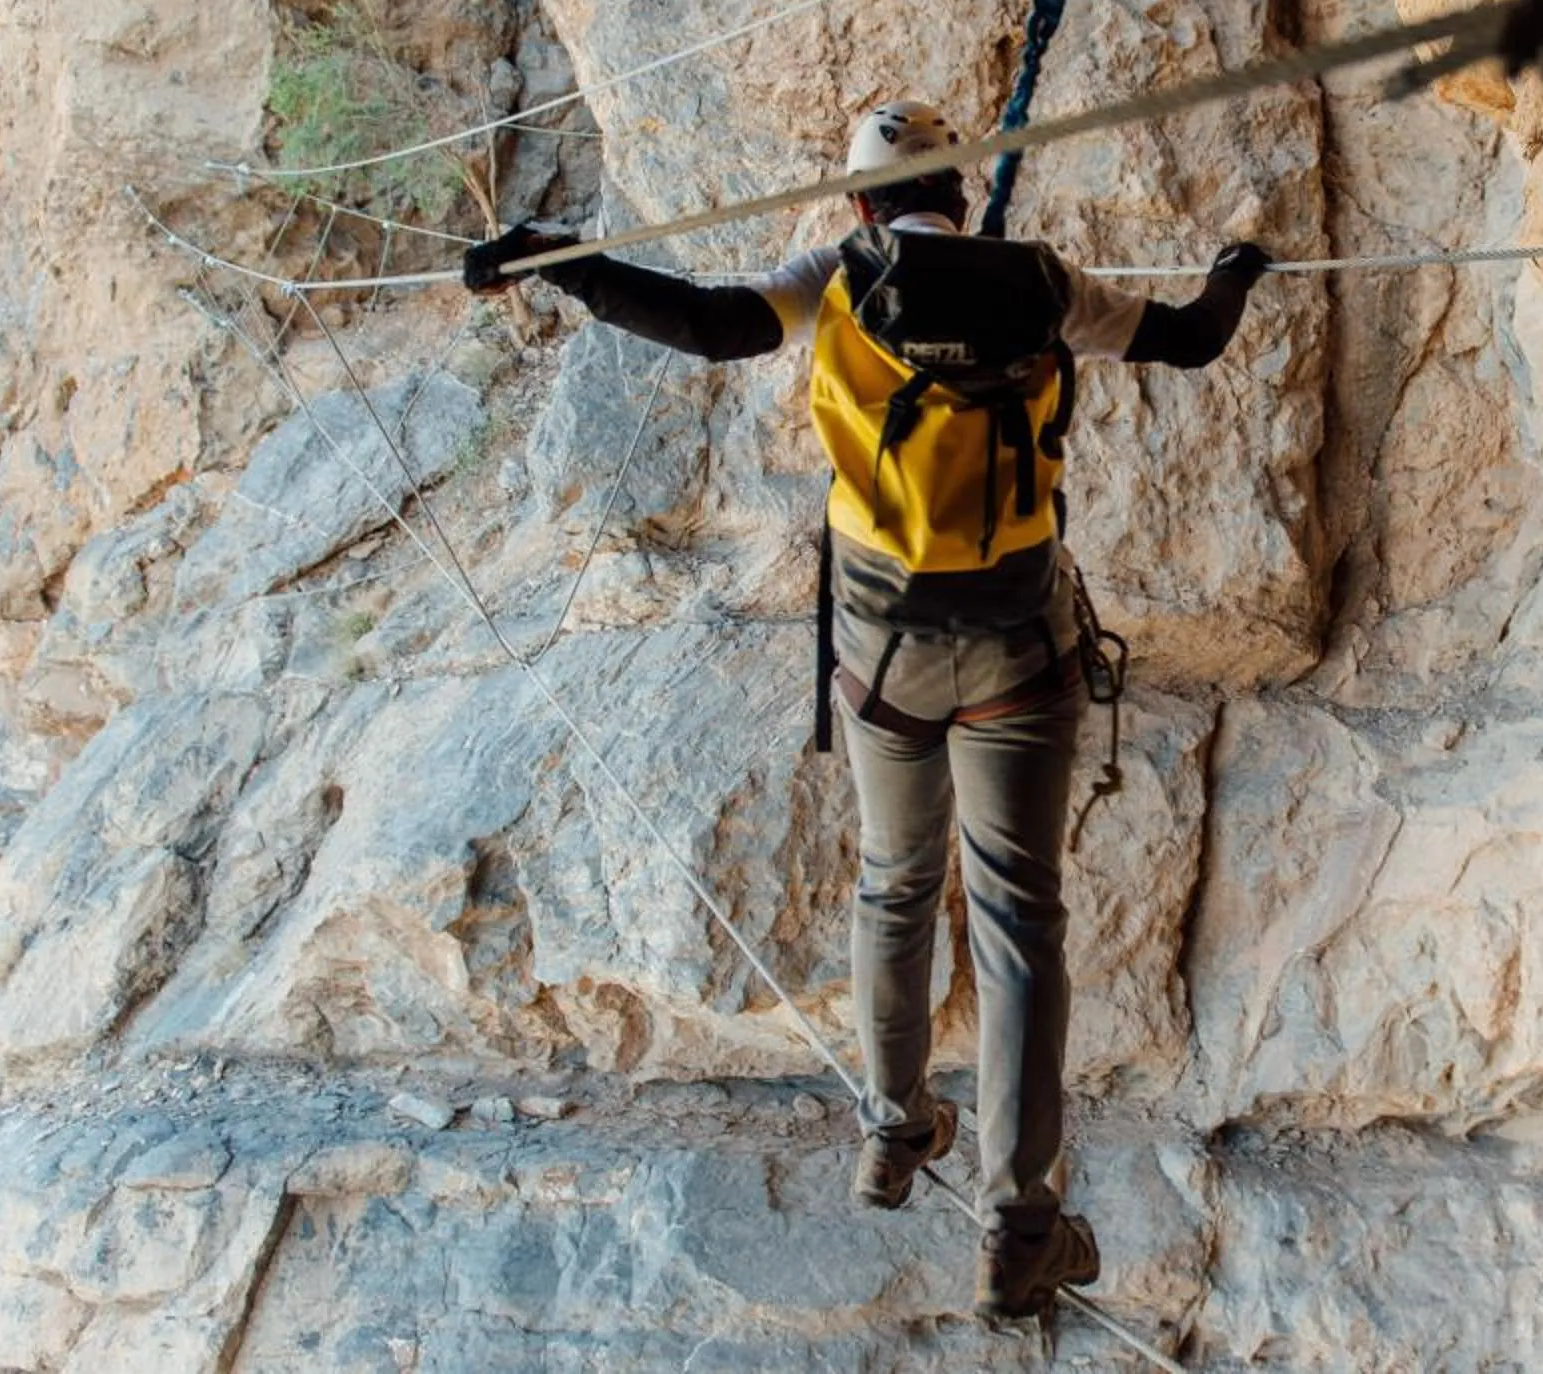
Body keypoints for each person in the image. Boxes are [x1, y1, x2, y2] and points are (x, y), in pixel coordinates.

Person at [464, 99, 1267, 1319]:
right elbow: (1193, 340)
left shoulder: (835, 281)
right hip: (1018, 656)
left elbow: (708, 322)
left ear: (859, 208)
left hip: (886, 657)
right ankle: (1019, 1219)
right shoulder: (1043, 283)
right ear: (961, 191)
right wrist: (1235, 271)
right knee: (1018, 923)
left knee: (894, 883)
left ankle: (895, 1131)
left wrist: (558, 260)